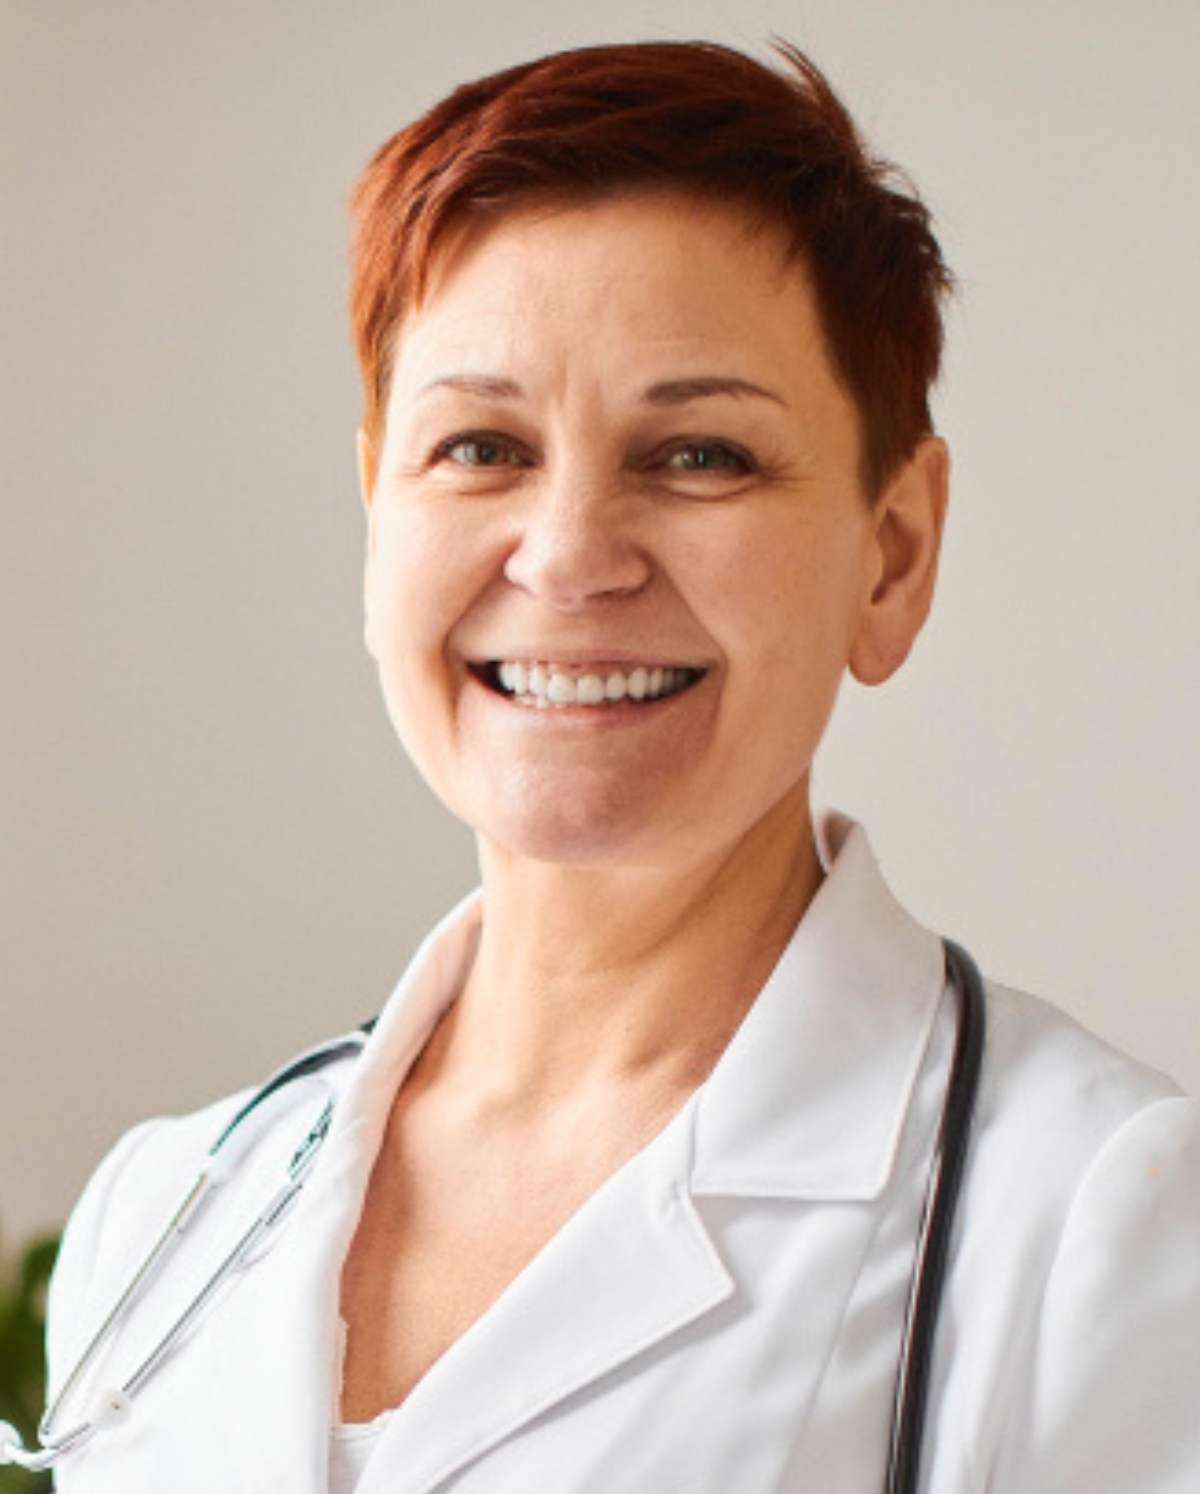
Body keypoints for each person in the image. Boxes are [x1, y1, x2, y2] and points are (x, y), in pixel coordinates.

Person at [36, 39, 1200, 1494]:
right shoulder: (166, 1210)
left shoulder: (1099, 1220)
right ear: (378, 509)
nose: (571, 555)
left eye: (700, 454)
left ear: (893, 555)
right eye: (480, 446)